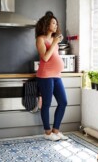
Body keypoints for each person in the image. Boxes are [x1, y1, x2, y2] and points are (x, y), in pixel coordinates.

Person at [35, 11, 68, 141]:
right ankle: (47, 133)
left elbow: (55, 56)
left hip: (56, 75)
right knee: (47, 104)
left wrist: (55, 42)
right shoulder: (40, 39)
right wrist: (54, 42)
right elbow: (45, 57)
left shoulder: (55, 40)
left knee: (63, 102)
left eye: (56, 23)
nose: (56, 25)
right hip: (45, 75)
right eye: (53, 23)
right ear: (46, 24)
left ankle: (56, 130)